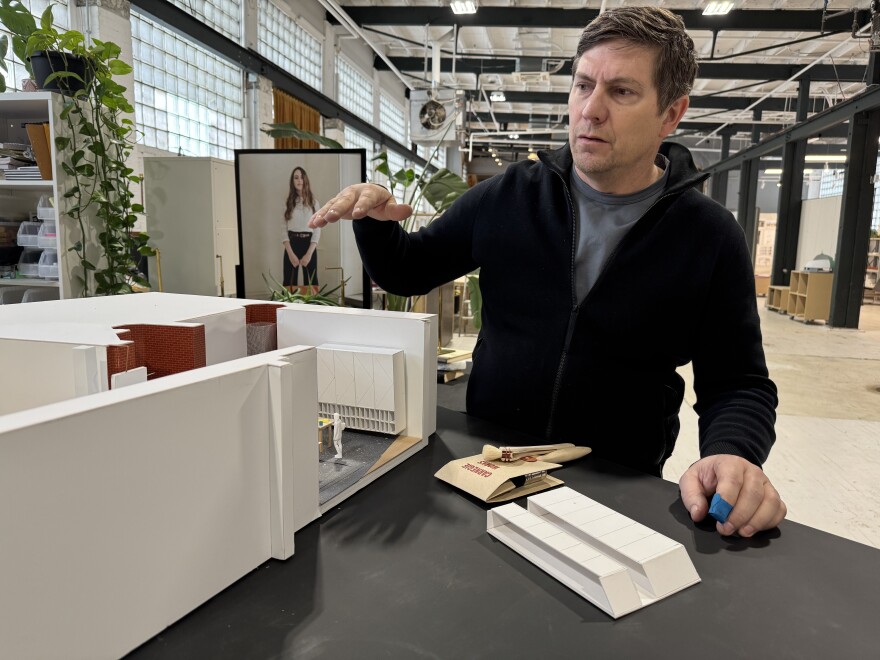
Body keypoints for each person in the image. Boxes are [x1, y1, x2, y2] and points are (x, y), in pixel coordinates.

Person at [309, 7, 786, 538]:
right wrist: (376, 223)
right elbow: (408, 270)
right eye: (583, 84)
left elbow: (738, 383)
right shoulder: (510, 196)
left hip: (618, 487)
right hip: (489, 468)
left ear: (671, 114)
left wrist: (733, 453)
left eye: (622, 92)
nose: (591, 110)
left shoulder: (708, 235)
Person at [282, 166, 321, 288]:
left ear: (305, 180)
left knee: (311, 282)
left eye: (301, 177)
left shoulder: (314, 203)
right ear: (292, 182)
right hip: (291, 244)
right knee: (289, 283)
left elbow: (317, 229)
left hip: (309, 244)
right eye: (296, 178)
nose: (299, 180)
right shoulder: (287, 203)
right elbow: (283, 229)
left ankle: (312, 307)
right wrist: (290, 253)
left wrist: (309, 254)